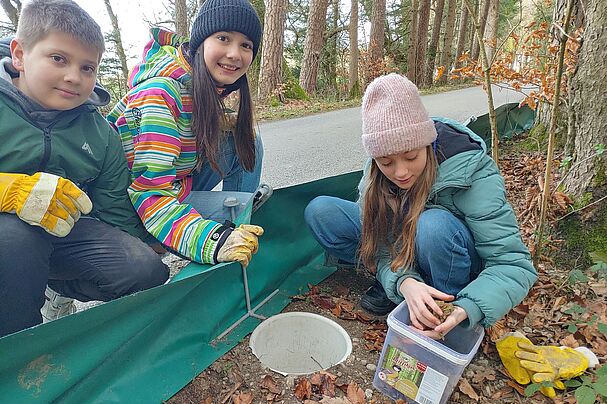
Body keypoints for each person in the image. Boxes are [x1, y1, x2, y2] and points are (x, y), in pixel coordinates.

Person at [305, 74, 537, 338]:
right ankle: (400, 288)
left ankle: (442, 307)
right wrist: (404, 281)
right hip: (402, 255)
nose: (400, 172)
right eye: (386, 162)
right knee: (322, 212)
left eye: (411, 157)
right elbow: (380, 244)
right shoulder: (376, 173)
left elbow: (513, 265)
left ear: (427, 143)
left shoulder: (472, 171)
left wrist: (467, 307)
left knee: (433, 225)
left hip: (450, 256)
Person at [0, 0, 169, 338]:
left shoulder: (100, 131)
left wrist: (160, 239)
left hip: (63, 232)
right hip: (8, 239)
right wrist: (10, 190)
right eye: (58, 59)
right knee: (14, 242)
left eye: (88, 68)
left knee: (146, 270)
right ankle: (21, 356)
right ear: (19, 54)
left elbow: (114, 209)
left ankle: (52, 290)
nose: (73, 77)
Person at [107, 0, 265, 268]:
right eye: (223, 38)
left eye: (245, 45)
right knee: (240, 212)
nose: (234, 54)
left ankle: (237, 214)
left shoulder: (201, 83)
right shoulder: (161, 95)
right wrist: (212, 240)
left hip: (173, 183)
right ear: (201, 41)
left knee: (245, 139)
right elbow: (149, 192)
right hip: (135, 207)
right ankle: (230, 228)